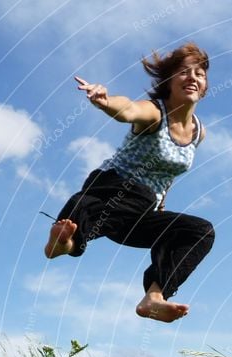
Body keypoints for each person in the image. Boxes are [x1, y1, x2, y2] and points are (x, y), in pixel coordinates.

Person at [44, 42, 214, 322]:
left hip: (142, 211)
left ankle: (154, 296)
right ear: (169, 81)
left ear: (205, 86)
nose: (193, 78)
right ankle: (63, 243)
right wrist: (105, 101)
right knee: (83, 205)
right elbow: (128, 110)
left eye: (199, 74)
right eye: (184, 72)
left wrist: (161, 208)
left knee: (199, 231)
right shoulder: (155, 112)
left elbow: (167, 174)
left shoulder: (199, 132)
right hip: (113, 188)